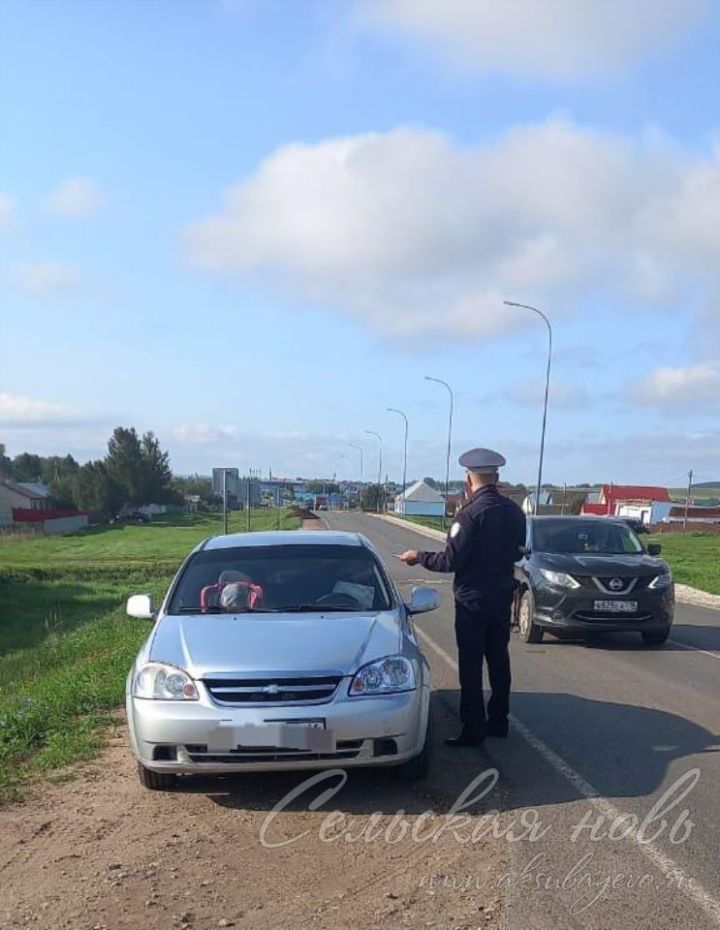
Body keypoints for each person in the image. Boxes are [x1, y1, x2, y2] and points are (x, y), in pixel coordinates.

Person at [398, 448, 526, 746]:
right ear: (497, 477)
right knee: (498, 660)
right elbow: (517, 550)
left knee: (470, 665)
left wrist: (418, 557)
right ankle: (499, 721)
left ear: (469, 478)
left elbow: (450, 561)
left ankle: (473, 729)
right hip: (502, 596)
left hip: (472, 602)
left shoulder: (469, 515)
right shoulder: (514, 513)